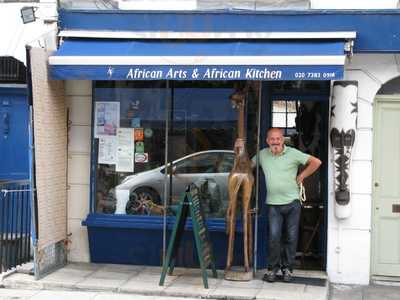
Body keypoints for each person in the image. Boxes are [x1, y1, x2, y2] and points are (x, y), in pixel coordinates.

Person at [252, 128, 321, 283]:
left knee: (291, 237)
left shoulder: (293, 153)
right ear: (267, 141)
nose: (275, 141)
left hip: (292, 203)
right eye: (272, 139)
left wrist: (302, 175)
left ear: (283, 140)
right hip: (273, 205)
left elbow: (316, 162)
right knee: (274, 238)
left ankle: (287, 269)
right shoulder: (262, 155)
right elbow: (246, 166)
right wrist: (238, 150)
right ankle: (272, 269)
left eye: (278, 138)